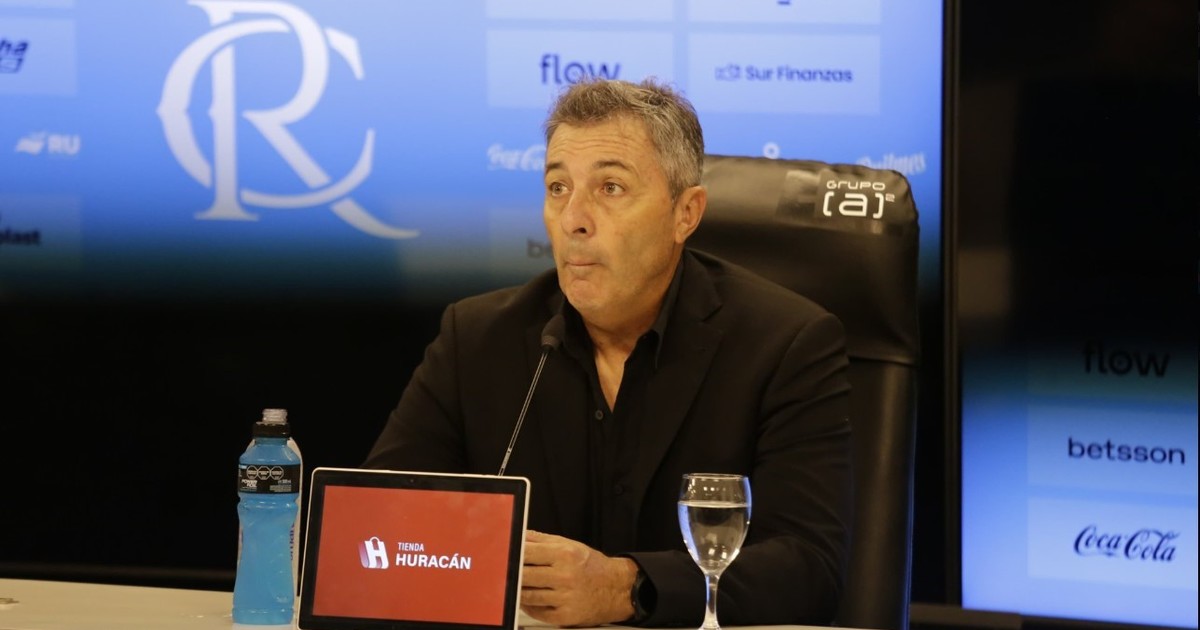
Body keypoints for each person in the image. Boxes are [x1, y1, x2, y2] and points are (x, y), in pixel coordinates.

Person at [364, 77, 852, 627]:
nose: (573, 218)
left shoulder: (786, 344)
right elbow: (378, 524)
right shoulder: (477, 339)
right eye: (558, 187)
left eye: (610, 188)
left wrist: (627, 586)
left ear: (685, 213)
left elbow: (808, 569)